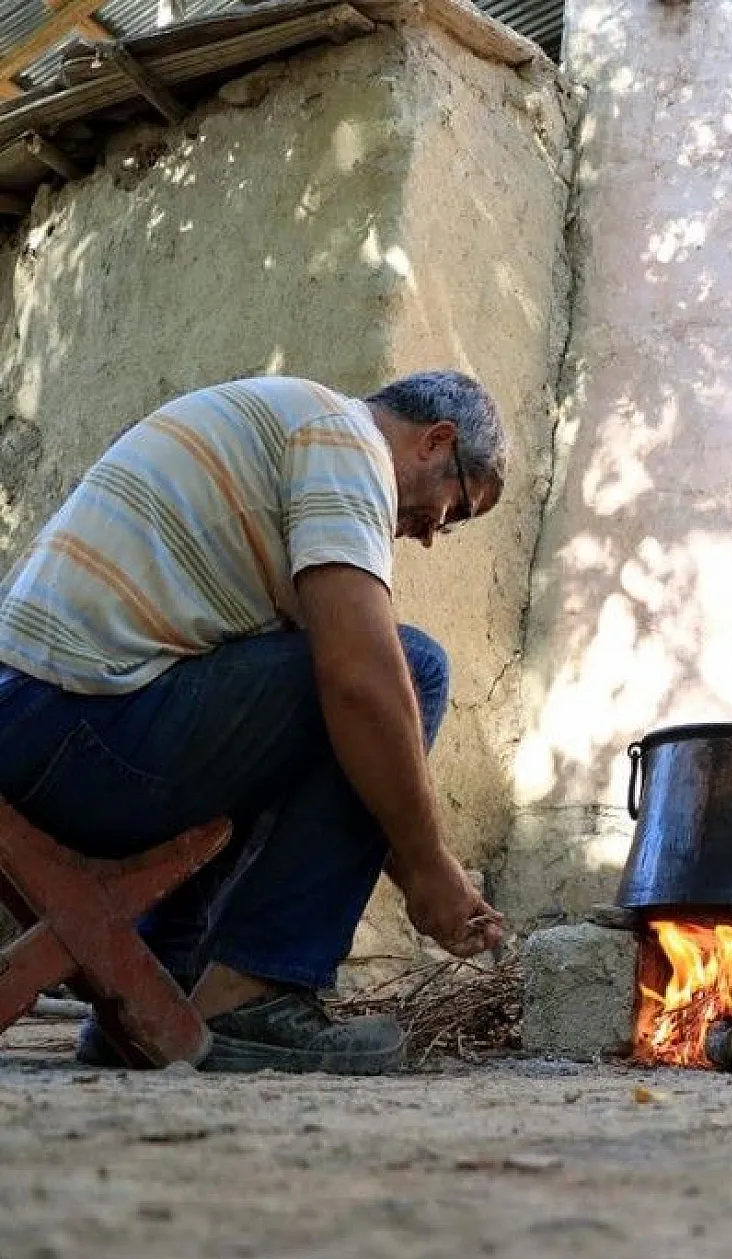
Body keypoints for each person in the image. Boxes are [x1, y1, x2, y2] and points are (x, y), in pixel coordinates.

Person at [0, 371, 509, 1074]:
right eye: (455, 509)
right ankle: (255, 996)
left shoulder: (294, 431)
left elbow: (347, 747)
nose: (430, 534)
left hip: (43, 721)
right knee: (409, 668)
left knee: (330, 701)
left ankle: (162, 983)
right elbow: (362, 686)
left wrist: (425, 874)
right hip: (68, 725)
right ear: (437, 442)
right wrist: (427, 868)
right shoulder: (342, 441)